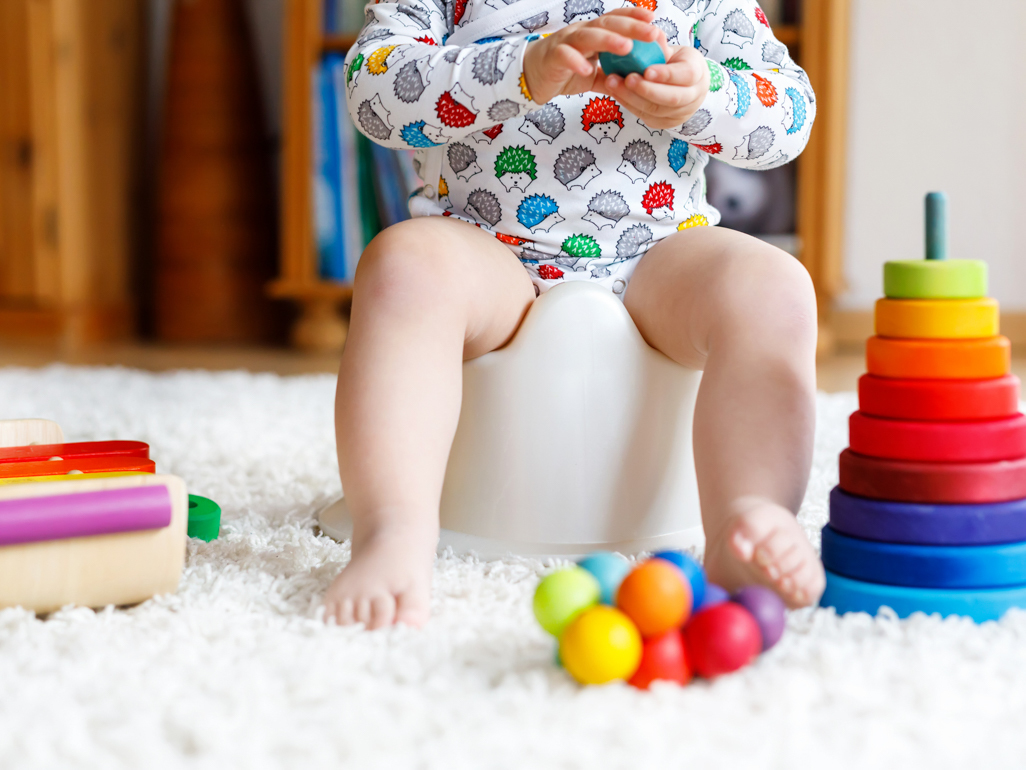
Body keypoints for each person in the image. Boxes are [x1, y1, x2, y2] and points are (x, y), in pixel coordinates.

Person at [325, 0, 824, 628]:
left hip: (660, 253)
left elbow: (790, 116)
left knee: (774, 288)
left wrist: (704, 97)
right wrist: (521, 70)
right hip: (486, 248)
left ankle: (745, 518)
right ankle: (392, 530)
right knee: (402, 268)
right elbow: (373, 92)